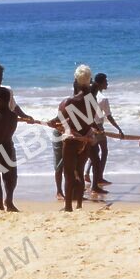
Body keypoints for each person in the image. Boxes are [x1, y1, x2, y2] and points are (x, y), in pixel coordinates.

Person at [55, 65, 99, 212]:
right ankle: (79, 204)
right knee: (79, 171)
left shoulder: (70, 101)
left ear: (75, 80)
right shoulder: (93, 100)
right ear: (90, 80)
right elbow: (91, 120)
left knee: (68, 173)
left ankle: (68, 206)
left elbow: (60, 119)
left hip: (72, 140)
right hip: (86, 138)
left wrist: (52, 122)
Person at [84, 72, 123, 192]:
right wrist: (118, 128)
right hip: (97, 127)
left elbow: (93, 114)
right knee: (104, 151)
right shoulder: (103, 99)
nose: (107, 83)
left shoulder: (90, 96)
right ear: (100, 83)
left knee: (93, 152)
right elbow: (108, 116)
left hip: (88, 126)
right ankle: (99, 177)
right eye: (106, 81)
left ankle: (87, 173)